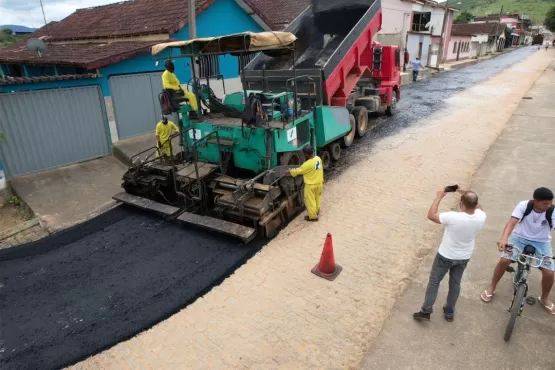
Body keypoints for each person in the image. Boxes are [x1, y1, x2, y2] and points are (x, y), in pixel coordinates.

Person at [413, 187, 486, 322]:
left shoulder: (453, 217)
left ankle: (426, 311)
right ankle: (449, 312)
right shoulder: (481, 216)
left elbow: (431, 215)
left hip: (445, 255)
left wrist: (439, 197)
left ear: (461, 204)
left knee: (434, 282)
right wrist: (463, 192)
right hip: (463, 256)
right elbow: (477, 205)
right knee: (455, 283)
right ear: (475, 204)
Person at [481, 187, 554, 315]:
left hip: (542, 242)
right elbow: (512, 223)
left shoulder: (552, 211)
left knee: (549, 272)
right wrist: (504, 239)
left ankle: (544, 298)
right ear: (535, 201)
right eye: (545, 203)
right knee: (504, 260)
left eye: (550, 203)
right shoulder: (524, 205)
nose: (548, 206)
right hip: (520, 238)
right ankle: (492, 286)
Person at [285, 145, 323, 222]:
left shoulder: (307, 165)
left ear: (306, 154)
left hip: (311, 186)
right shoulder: (318, 158)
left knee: (310, 202)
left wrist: (289, 171)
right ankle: (317, 210)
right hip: (319, 183)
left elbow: (298, 171)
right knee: (317, 198)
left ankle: (313, 217)